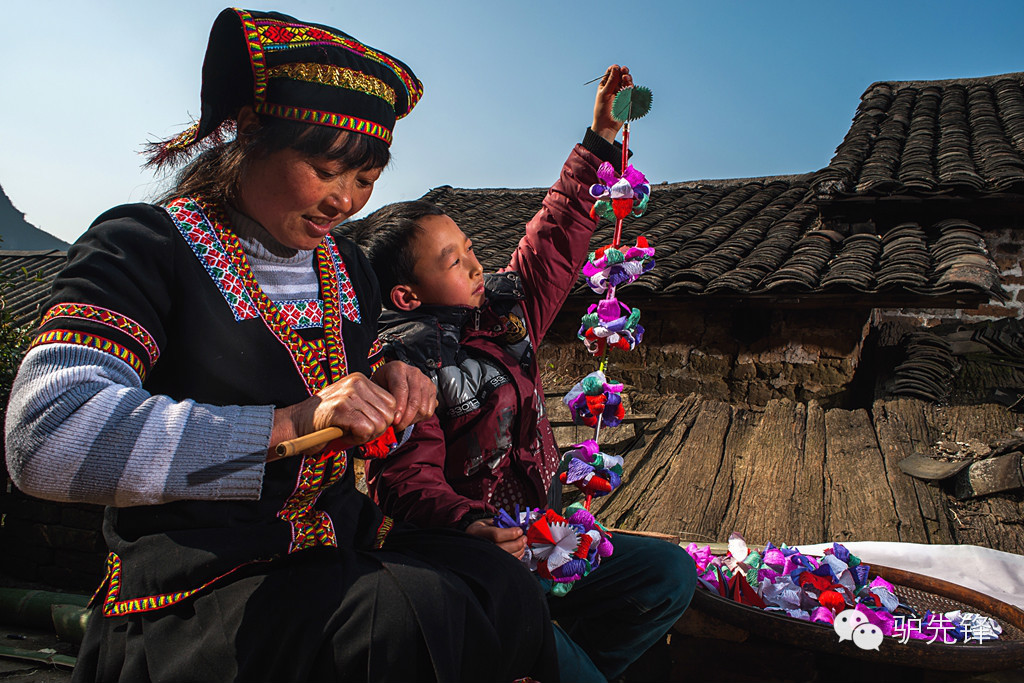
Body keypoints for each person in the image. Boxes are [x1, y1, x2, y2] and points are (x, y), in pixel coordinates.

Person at [4, 8, 558, 683]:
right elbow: (44, 436)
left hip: (334, 555)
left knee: (503, 582)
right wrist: (292, 422)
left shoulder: (348, 268)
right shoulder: (146, 248)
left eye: (365, 180)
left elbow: (345, 372)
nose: (344, 201)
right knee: (414, 618)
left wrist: (389, 381)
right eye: (327, 169)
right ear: (247, 137)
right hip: (198, 589)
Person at [350, 66, 698, 683]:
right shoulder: (402, 369)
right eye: (454, 261)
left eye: (470, 249)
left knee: (666, 575)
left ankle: (567, 662)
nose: (476, 265)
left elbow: (555, 235)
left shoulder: (507, 319)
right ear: (406, 296)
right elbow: (404, 481)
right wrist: (471, 525)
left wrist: (599, 136)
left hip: (546, 532)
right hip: (478, 557)